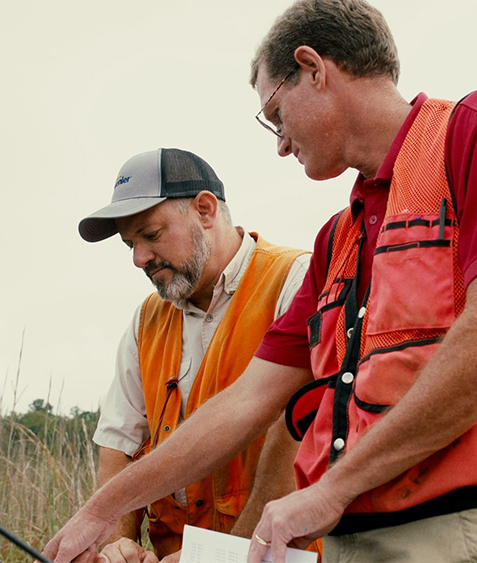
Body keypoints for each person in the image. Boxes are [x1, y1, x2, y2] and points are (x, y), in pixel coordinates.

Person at [42, 2, 477, 562]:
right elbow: (248, 401)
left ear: (314, 69)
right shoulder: (338, 240)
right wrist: (98, 512)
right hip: (347, 532)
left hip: (463, 526)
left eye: (275, 113)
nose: (281, 142)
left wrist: (330, 490)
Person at [76, 148, 311, 563]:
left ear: (205, 209)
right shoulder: (145, 320)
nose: (138, 259)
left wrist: (228, 558)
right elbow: (120, 441)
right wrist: (117, 542)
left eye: (150, 235)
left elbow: (301, 439)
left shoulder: (297, 281)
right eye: (130, 244)